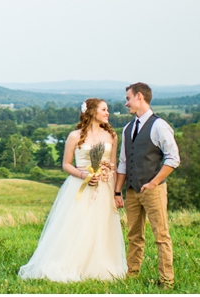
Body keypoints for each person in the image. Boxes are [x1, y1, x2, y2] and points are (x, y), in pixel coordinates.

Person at [18, 98, 127, 282]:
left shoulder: (111, 136)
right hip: (80, 186)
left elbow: (114, 164)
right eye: (104, 109)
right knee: (78, 224)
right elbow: (66, 165)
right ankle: (71, 262)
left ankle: (99, 265)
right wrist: (83, 175)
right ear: (92, 112)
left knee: (102, 225)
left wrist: (116, 192)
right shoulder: (75, 136)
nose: (108, 113)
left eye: (107, 110)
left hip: (104, 186)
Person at [114, 82, 179, 288]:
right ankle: (132, 273)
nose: (126, 103)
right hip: (133, 190)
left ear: (139, 96)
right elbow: (123, 163)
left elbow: (173, 158)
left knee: (161, 235)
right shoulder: (127, 128)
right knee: (134, 235)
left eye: (128, 98)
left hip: (154, 190)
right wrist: (118, 191)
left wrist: (154, 182)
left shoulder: (159, 125)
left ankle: (166, 280)